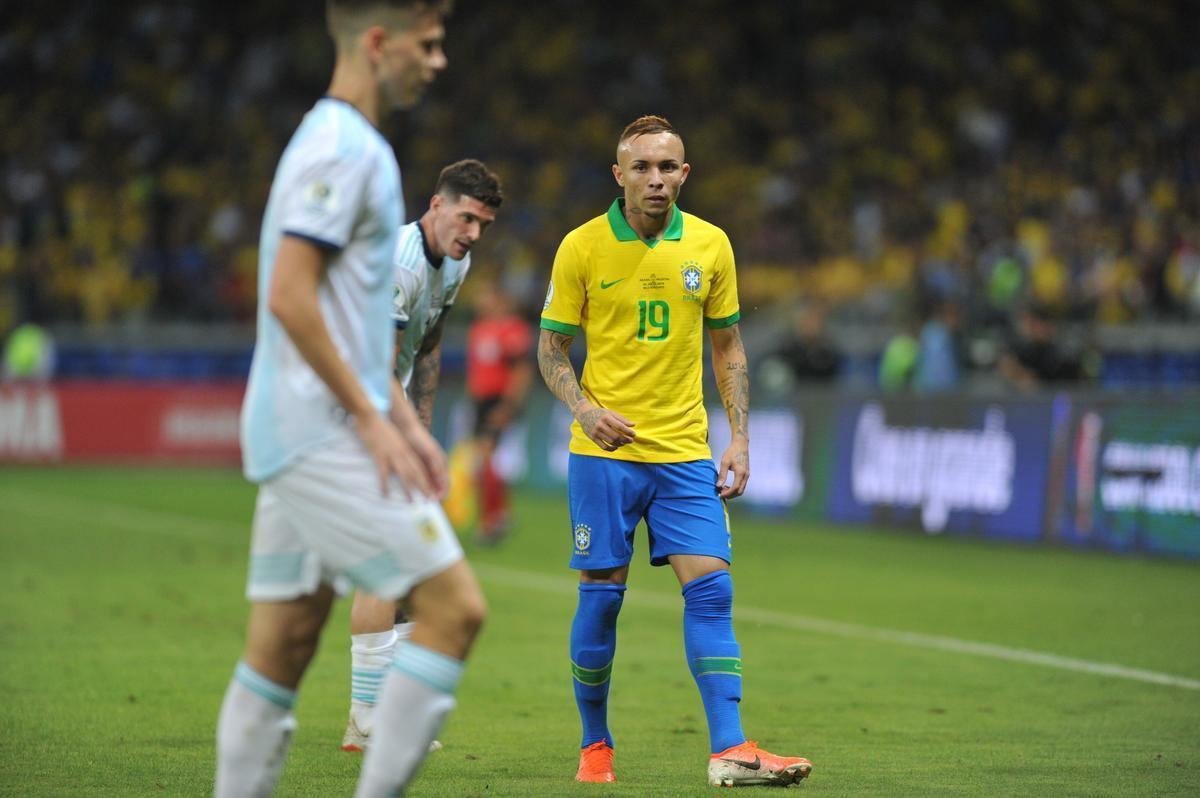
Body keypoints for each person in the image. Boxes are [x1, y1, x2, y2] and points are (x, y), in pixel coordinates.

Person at [215, 3, 488, 797]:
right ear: (379, 43)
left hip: (303, 426)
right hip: (320, 433)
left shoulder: (358, 146)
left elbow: (370, 335)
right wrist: (375, 421)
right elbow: (290, 296)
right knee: (455, 608)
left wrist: (407, 421)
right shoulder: (342, 148)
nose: (439, 61)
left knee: (284, 644)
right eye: (428, 45)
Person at [537, 114, 813, 788]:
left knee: (712, 592)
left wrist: (740, 436)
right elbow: (551, 348)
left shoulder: (712, 246)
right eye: (642, 168)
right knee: (602, 598)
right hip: (603, 456)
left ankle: (729, 750)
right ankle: (595, 744)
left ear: (684, 173)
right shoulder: (582, 246)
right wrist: (584, 408)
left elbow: (728, 346)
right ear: (619, 175)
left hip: (685, 451)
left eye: (668, 168)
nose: (656, 180)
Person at [342, 158, 503, 753]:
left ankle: (378, 715)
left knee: (404, 563)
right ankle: (368, 715)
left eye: (483, 224)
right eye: (466, 218)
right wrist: (409, 436)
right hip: (352, 417)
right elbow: (376, 370)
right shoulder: (401, 263)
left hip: (391, 417)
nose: (473, 233)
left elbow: (428, 345)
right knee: (391, 561)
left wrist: (425, 429)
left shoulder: (457, 263)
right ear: (436, 205)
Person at [464, 280, 534, 543]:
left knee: (484, 458)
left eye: (484, 296)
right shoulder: (479, 328)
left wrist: (508, 406)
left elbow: (522, 370)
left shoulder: (512, 329)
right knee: (484, 460)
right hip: (480, 402)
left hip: (498, 401)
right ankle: (500, 515)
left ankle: (490, 522)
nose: (479, 301)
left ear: (498, 300)